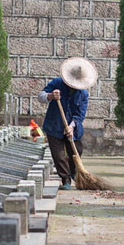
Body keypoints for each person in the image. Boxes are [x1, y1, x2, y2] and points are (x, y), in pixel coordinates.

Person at [38, 57, 97, 190]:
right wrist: (51, 96)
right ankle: (65, 179)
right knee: (59, 156)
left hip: (73, 128)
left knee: (76, 151)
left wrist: (71, 127)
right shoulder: (57, 83)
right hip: (54, 125)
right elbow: (40, 96)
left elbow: (80, 114)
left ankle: (74, 173)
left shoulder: (83, 94)